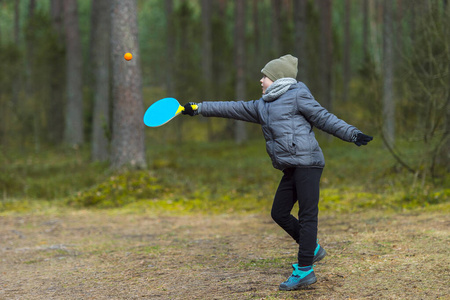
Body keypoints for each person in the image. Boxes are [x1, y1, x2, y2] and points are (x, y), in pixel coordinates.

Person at [181, 54, 373, 291]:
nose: (261, 80)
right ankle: (311, 248)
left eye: (265, 76)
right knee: (279, 212)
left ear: (278, 78)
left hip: (308, 163)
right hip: (291, 166)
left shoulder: (297, 95)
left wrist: (351, 134)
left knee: (307, 215)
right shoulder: (262, 106)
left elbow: (323, 118)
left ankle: (305, 271)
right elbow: (231, 108)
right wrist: (199, 108)